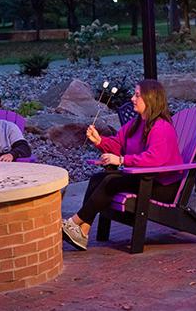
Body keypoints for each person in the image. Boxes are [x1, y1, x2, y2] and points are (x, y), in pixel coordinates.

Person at [62, 79, 183, 251]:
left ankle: (73, 222)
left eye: (137, 95)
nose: (133, 98)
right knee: (99, 178)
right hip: (143, 178)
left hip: (161, 186)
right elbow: (118, 145)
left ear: (150, 99)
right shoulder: (136, 124)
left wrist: (121, 161)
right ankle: (83, 231)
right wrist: (99, 141)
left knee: (111, 182)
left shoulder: (162, 127)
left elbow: (154, 159)